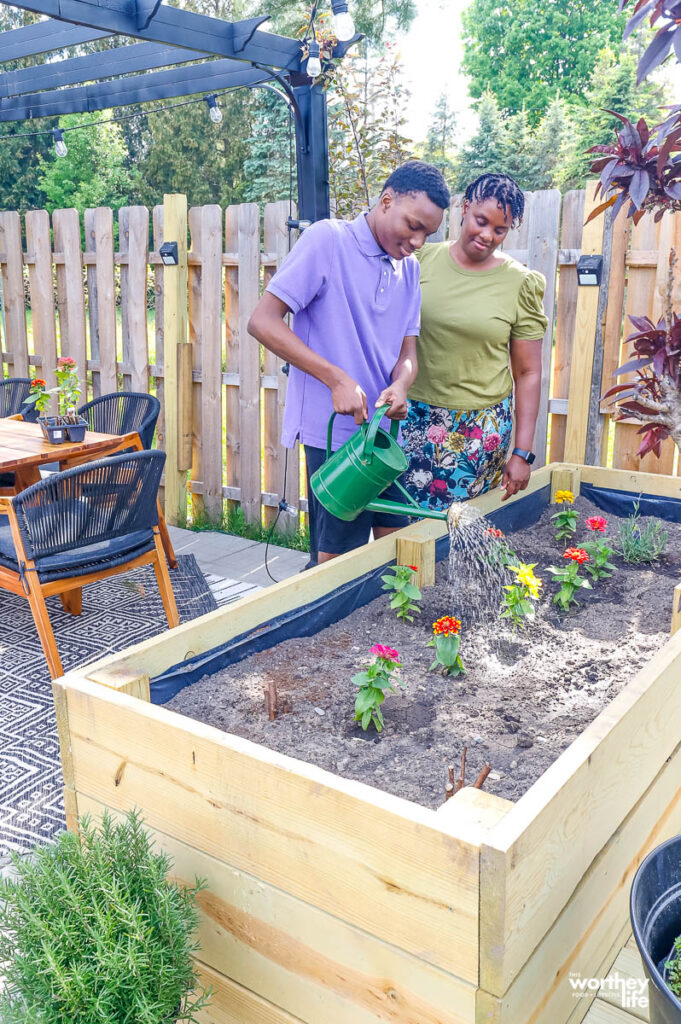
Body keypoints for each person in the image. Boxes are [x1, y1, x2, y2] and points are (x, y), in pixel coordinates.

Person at [248, 160, 449, 564]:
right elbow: (262, 322)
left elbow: (408, 353)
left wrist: (402, 385)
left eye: (427, 234)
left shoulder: (409, 270)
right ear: (387, 201)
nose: (418, 241)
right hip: (335, 440)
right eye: (413, 226)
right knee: (336, 566)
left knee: (401, 557)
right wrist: (335, 378)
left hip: (384, 439)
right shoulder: (328, 240)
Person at [402, 172, 548, 509]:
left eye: (500, 230)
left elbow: (528, 372)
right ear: (465, 208)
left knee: (459, 528)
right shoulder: (419, 261)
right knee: (399, 524)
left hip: (479, 432)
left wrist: (522, 452)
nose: (487, 235)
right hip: (412, 418)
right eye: (481, 221)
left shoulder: (520, 283)